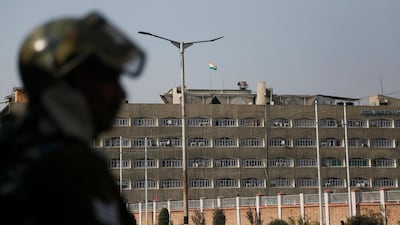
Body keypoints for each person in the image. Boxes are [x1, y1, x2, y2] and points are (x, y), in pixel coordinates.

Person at [0, 11, 145, 225]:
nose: (121, 94)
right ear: (67, 85)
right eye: (107, 79)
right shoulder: (75, 166)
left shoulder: (13, 146)